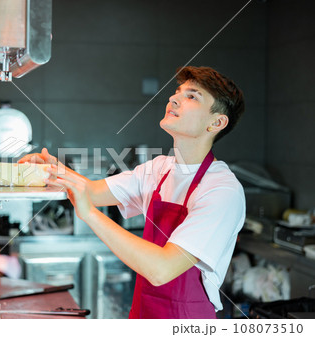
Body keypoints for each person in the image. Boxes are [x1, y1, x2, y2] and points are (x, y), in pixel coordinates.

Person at [19, 66, 246, 319]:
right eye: (177, 92)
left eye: (192, 96)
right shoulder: (159, 169)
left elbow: (162, 269)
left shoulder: (222, 190)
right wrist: (51, 171)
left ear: (216, 122)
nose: (173, 98)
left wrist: (91, 215)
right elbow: (92, 191)